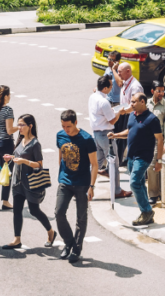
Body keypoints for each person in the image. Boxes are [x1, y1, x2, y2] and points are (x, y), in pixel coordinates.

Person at [1, 114, 55, 249]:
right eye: (18, 124)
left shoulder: (35, 144)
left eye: (21, 125)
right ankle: (17, 239)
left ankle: (51, 231)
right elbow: (19, 156)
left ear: (30, 126)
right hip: (18, 182)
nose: (19, 127)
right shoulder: (20, 140)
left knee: (34, 210)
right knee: (17, 210)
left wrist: (24, 161)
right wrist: (11, 157)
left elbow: (39, 164)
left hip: (30, 183)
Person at [108, 94, 163, 226]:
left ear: (142, 102)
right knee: (139, 183)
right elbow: (129, 130)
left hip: (143, 157)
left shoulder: (152, 119)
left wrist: (159, 160)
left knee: (133, 183)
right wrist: (115, 135)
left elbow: (160, 139)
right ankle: (147, 214)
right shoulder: (132, 115)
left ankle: (146, 211)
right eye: (131, 102)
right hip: (131, 157)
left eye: (133, 102)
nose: (131, 104)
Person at [55, 109, 98, 264]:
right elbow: (60, 156)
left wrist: (91, 186)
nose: (66, 130)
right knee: (59, 213)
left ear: (76, 123)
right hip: (65, 182)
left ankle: (77, 249)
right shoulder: (60, 135)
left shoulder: (87, 139)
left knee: (81, 218)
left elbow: (94, 164)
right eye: (63, 126)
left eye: (69, 126)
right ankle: (69, 242)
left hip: (82, 184)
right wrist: (60, 176)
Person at [87, 76, 123, 196]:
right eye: (111, 86)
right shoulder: (104, 102)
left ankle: (84, 188)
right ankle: (117, 190)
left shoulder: (93, 97)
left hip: (96, 134)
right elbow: (112, 121)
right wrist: (119, 112)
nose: (112, 88)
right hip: (106, 135)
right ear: (106, 88)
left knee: (95, 163)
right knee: (114, 163)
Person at [145, 81, 165, 203]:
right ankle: (153, 194)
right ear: (152, 91)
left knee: (156, 166)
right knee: (150, 168)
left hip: (159, 141)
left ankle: (158, 194)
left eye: (163, 91)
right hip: (147, 140)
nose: (162, 93)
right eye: (159, 91)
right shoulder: (146, 104)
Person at [113, 62, 143, 168]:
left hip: (129, 114)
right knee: (119, 138)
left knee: (124, 138)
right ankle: (119, 159)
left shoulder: (135, 86)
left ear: (128, 71)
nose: (118, 74)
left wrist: (124, 111)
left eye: (120, 72)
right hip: (123, 112)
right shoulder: (126, 81)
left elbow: (134, 105)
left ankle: (121, 160)